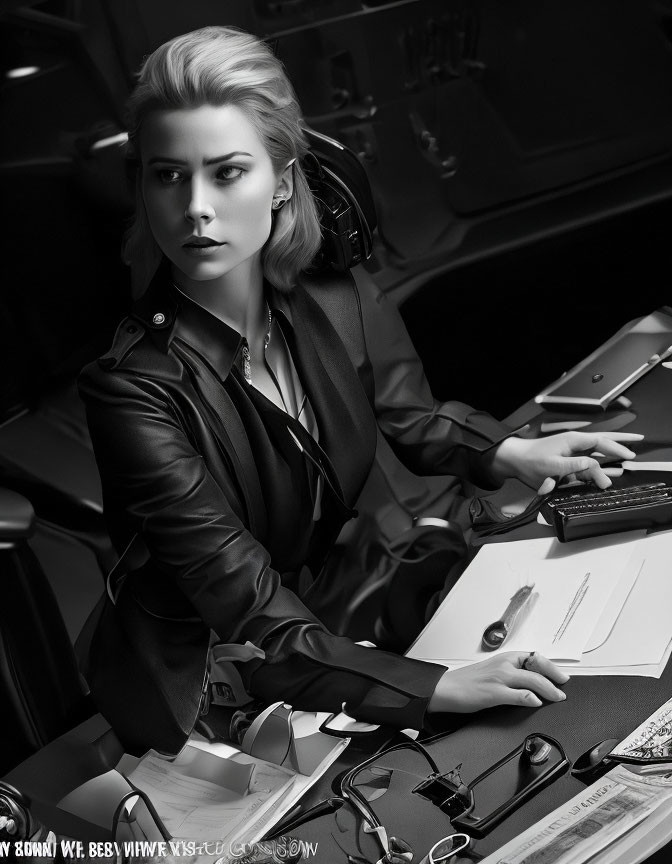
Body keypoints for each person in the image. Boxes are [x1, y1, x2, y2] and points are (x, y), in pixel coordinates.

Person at [78, 25, 642, 743]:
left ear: (281, 181)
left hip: (323, 620)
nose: (194, 206)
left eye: (226, 172)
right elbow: (246, 607)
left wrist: (514, 454)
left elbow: (410, 414)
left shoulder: (334, 293)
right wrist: (433, 688)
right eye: (167, 174)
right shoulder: (131, 391)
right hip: (206, 684)